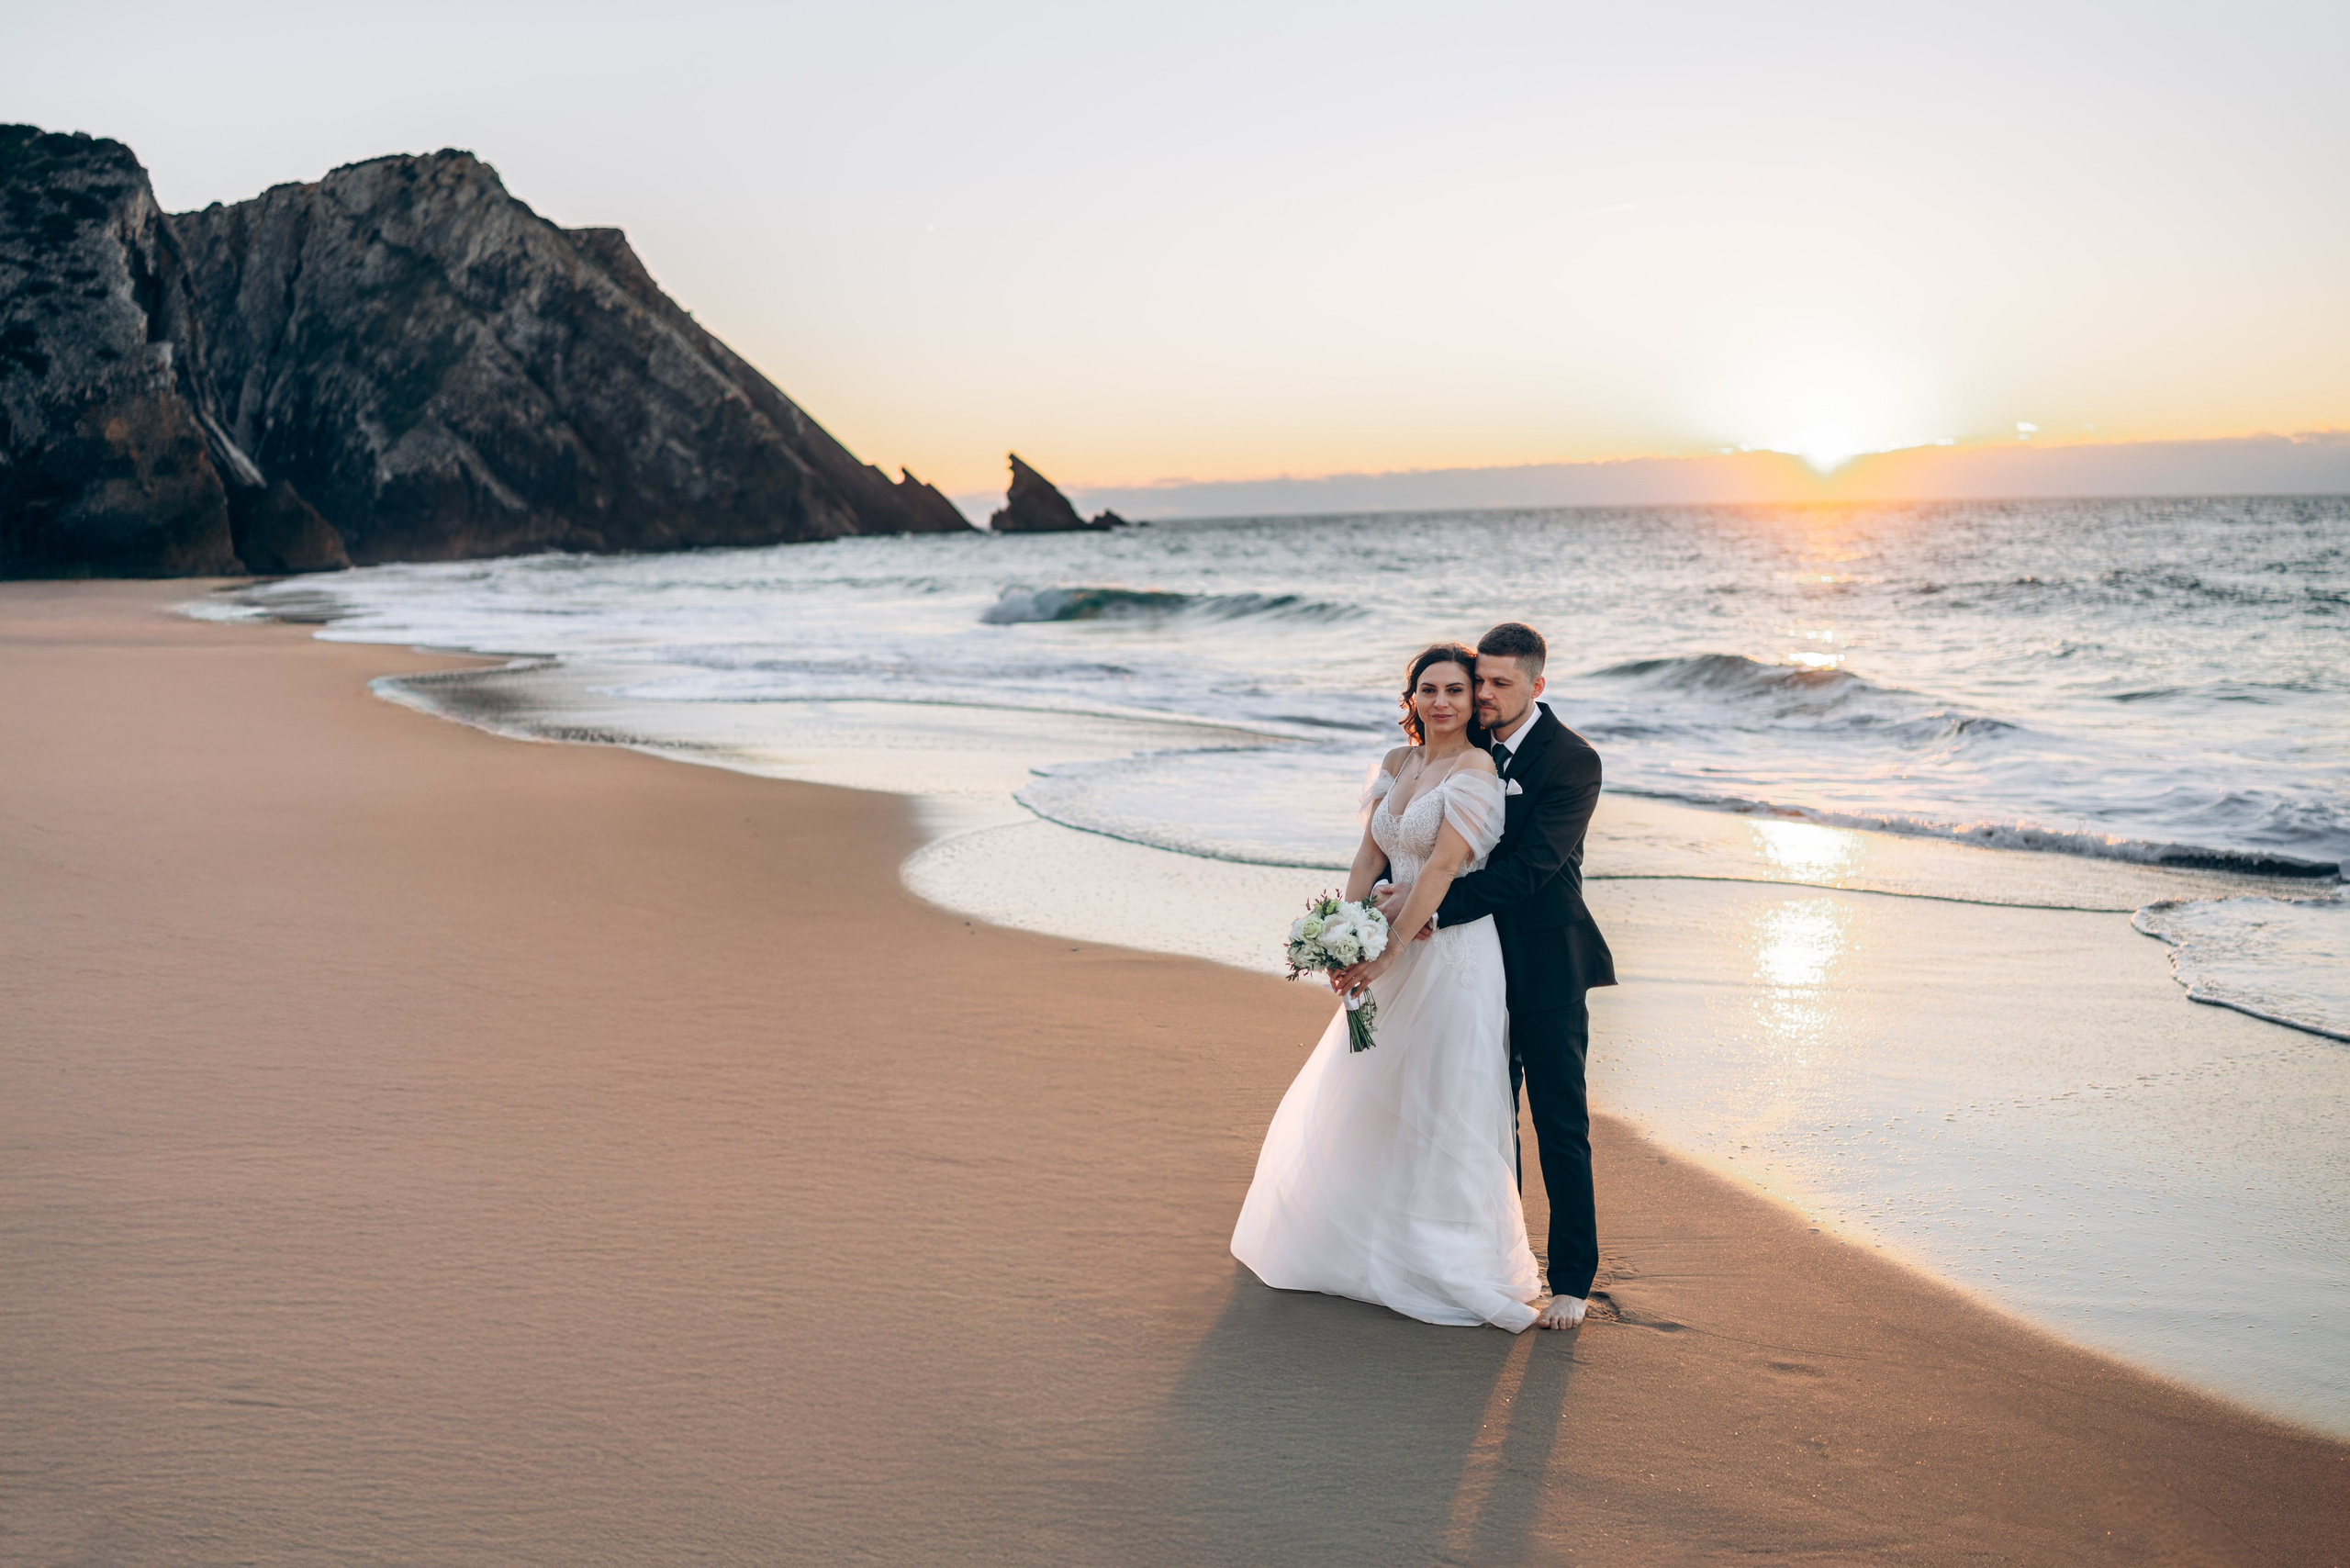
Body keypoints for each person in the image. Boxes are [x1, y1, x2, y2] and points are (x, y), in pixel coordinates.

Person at [1230, 644, 1543, 1331]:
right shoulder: (1398, 763)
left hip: (1448, 952)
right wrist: (1343, 930)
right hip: (1387, 944)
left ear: (1473, 702)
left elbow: (1440, 870)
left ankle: (1451, 1260)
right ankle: (1367, 1247)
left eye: (1456, 691)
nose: (1441, 702)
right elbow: (1370, 853)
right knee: (1371, 1091)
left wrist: (1388, 950)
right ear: (1412, 698)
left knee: (1442, 1098)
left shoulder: (1475, 769)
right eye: (1428, 689)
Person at [1381, 622, 1616, 1329]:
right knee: (1482, 1114)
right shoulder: (1466, 747)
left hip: (1544, 960)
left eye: (1498, 683)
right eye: (1476, 680)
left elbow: (1531, 868)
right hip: (1468, 963)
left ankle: (1573, 1278)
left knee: (1559, 1119)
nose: (1480, 694)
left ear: (1537, 686)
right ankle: (1500, 1261)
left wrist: (1427, 912)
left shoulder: (1573, 761)